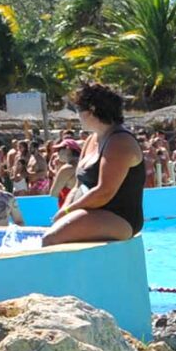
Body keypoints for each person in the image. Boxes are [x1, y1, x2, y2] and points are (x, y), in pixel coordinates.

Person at [43, 83, 144, 245]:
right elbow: (77, 186)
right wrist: (63, 211)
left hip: (119, 218)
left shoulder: (119, 142)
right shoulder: (92, 139)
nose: (77, 116)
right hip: (92, 213)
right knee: (50, 234)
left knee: (50, 239)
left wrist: (68, 211)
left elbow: (104, 192)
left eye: (78, 110)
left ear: (92, 110)